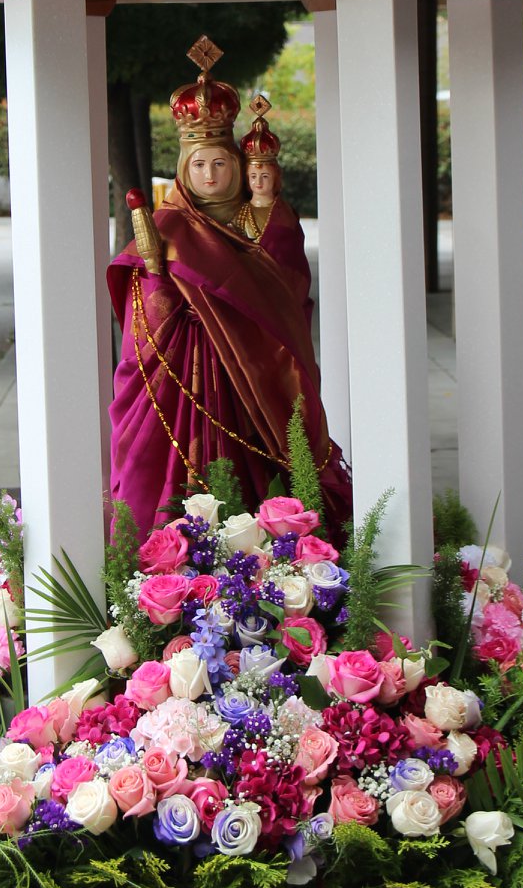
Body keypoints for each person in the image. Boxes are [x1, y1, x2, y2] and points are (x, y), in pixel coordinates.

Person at [107, 42, 351, 535]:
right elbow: (142, 315)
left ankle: (271, 541)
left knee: (256, 463)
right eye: (199, 165)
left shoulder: (260, 218)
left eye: (219, 164)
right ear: (184, 167)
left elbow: (286, 294)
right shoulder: (166, 225)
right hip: (182, 372)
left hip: (252, 377)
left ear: (236, 165)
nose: (210, 174)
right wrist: (165, 295)